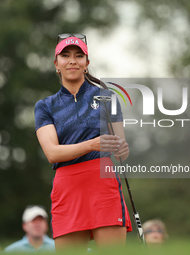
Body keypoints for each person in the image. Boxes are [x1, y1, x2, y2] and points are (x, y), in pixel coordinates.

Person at [34, 33, 132, 251]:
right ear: (56, 64)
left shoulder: (108, 98)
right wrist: (91, 145)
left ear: (86, 64)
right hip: (67, 186)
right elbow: (52, 153)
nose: (72, 60)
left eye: (79, 56)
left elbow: (121, 151)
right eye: (65, 56)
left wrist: (122, 149)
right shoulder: (45, 106)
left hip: (102, 181)